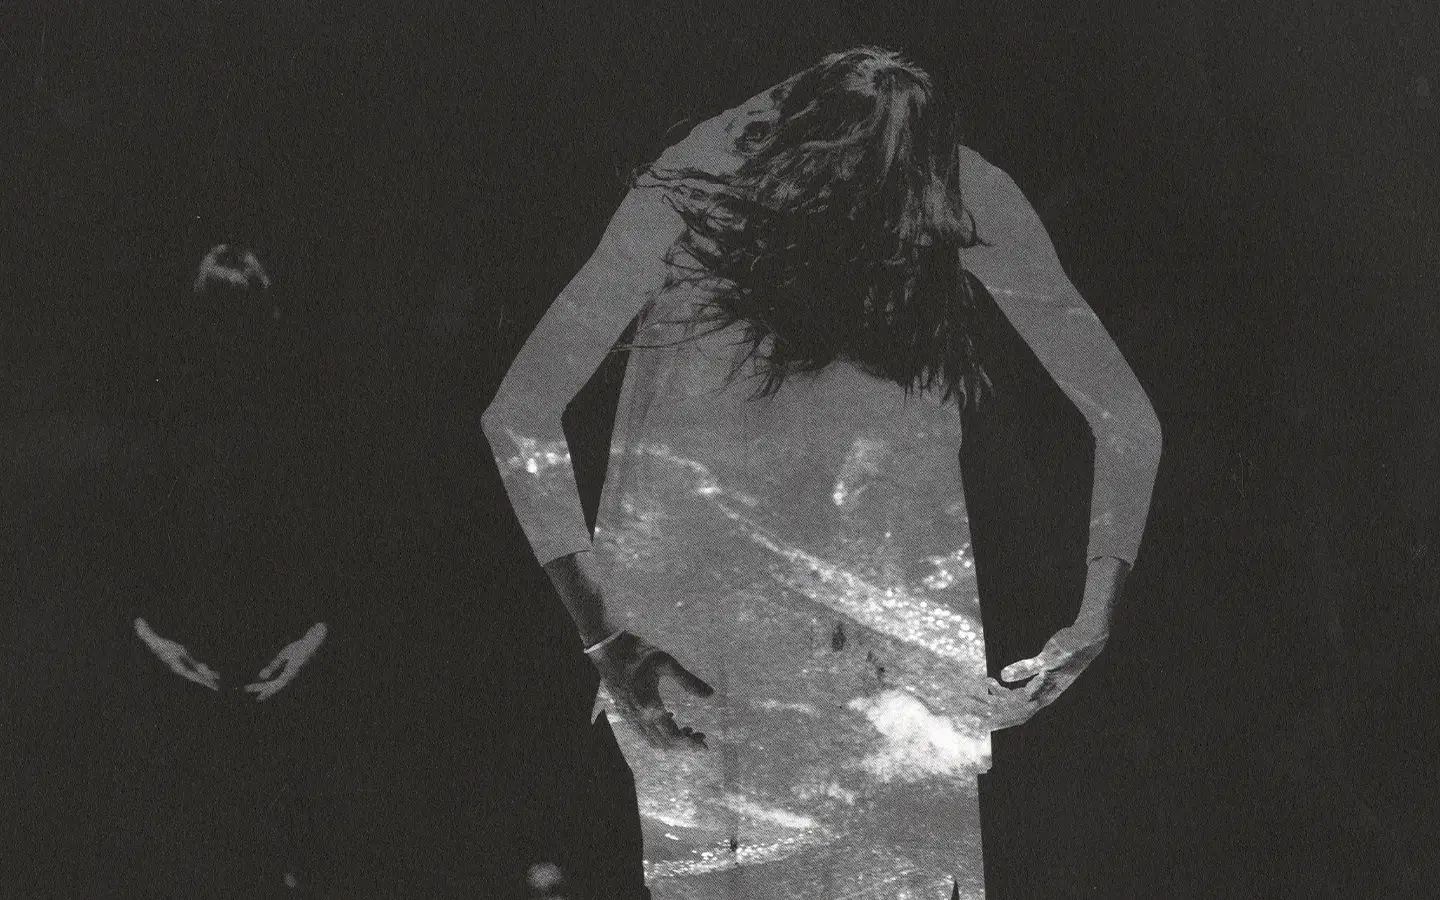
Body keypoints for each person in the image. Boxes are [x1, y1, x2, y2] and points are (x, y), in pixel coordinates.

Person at [481, 46, 1162, 900]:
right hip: (720, 640)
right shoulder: (699, 183)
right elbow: (520, 410)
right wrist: (606, 634)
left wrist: (1099, 609)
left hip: (870, 642)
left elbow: (1126, 417)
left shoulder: (955, 189)